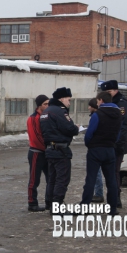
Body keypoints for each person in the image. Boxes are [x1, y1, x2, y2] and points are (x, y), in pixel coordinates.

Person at [80, 92, 122, 215]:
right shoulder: (119, 114)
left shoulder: (97, 115)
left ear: (101, 100)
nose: (97, 103)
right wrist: (111, 143)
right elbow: (118, 133)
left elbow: (89, 134)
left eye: (97, 101)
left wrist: (90, 145)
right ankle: (112, 208)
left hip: (96, 150)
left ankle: (84, 208)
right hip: (110, 150)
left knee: (91, 179)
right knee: (111, 180)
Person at [40, 87, 79, 215]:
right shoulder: (59, 111)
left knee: (53, 179)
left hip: (50, 150)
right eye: (68, 100)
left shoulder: (46, 111)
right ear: (61, 99)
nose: (69, 103)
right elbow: (69, 128)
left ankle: (51, 205)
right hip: (61, 150)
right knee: (62, 179)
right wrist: (76, 128)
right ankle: (57, 207)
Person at [100, 79, 127, 208]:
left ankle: (116, 198)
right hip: (106, 144)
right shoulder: (106, 103)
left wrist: (118, 143)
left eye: (109, 91)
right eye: (105, 92)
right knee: (108, 172)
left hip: (116, 144)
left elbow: (124, 126)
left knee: (114, 172)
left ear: (116, 91)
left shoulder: (121, 104)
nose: (107, 94)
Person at [26, 94, 50, 212]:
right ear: (39, 105)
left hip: (45, 151)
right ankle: (32, 203)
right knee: (34, 179)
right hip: (37, 152)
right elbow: (36, 138)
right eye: (45, 104)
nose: (47, 106)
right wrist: (48, 147)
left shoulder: (46, 116)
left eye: (48, 103)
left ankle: (49, 202)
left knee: (50, 177)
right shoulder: (34, 118)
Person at [88, 98, 105, 203]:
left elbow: (91, 133)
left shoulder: (96, 116)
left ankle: (98, 194)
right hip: (105, 147)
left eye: (90, 106)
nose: (89, 107)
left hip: (96, 148)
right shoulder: (103, 115)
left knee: (96, 172)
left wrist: (89, 143)